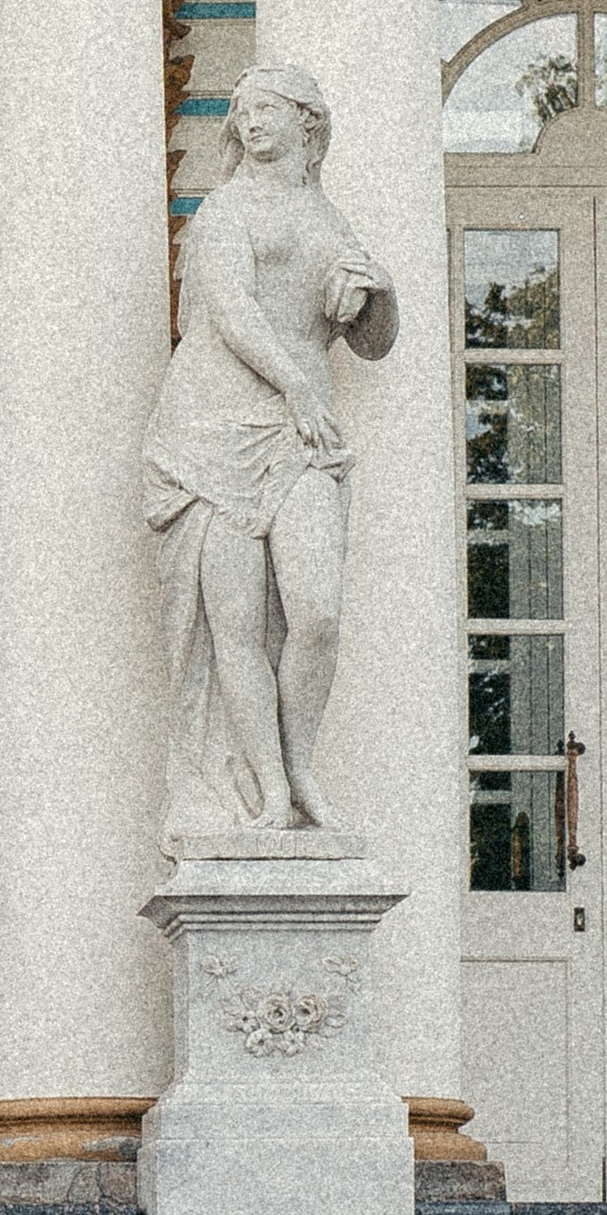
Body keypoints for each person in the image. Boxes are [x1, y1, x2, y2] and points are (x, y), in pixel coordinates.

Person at [142, 62, 396, 855]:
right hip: (213, 429)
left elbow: (373, 344)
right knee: (237, 627)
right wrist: (297, 387)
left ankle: (300, 763)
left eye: (267, 110)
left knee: (316, 610)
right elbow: (232, 312)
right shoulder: (226, 210)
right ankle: (272, 790)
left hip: (298, 434)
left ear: (308, 124)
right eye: (241, 111)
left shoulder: (330, 220)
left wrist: (379, 291)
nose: (250, 123)